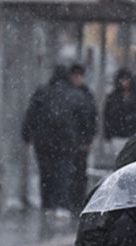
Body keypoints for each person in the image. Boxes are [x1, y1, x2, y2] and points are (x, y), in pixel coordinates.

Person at [22, 65, 83, 219]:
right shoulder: (73, 94)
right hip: (65, 141)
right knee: (63, 173)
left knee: (46, 173)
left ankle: (47, 204)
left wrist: (27, 136)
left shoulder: (42, 92)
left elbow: (31, 114)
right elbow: (84, 117)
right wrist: (83, 138)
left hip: (43, 141)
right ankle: (61, 205)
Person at [69, 63, 98, 215]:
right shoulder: (81, 95)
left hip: (80, 141)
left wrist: (87, 139)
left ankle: (78, 200)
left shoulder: (85, 95)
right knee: (73, 172)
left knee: (80, 172)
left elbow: (91, 119)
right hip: (70, 141)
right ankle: (74, 201)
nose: (77, 79)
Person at [102, 68, 136, 153]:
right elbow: (107, 117)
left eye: (126, 79)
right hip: (117, 135)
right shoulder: (113, 97)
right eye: (122, 79)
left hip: (133, 134)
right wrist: (108, 136)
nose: (124, 82)